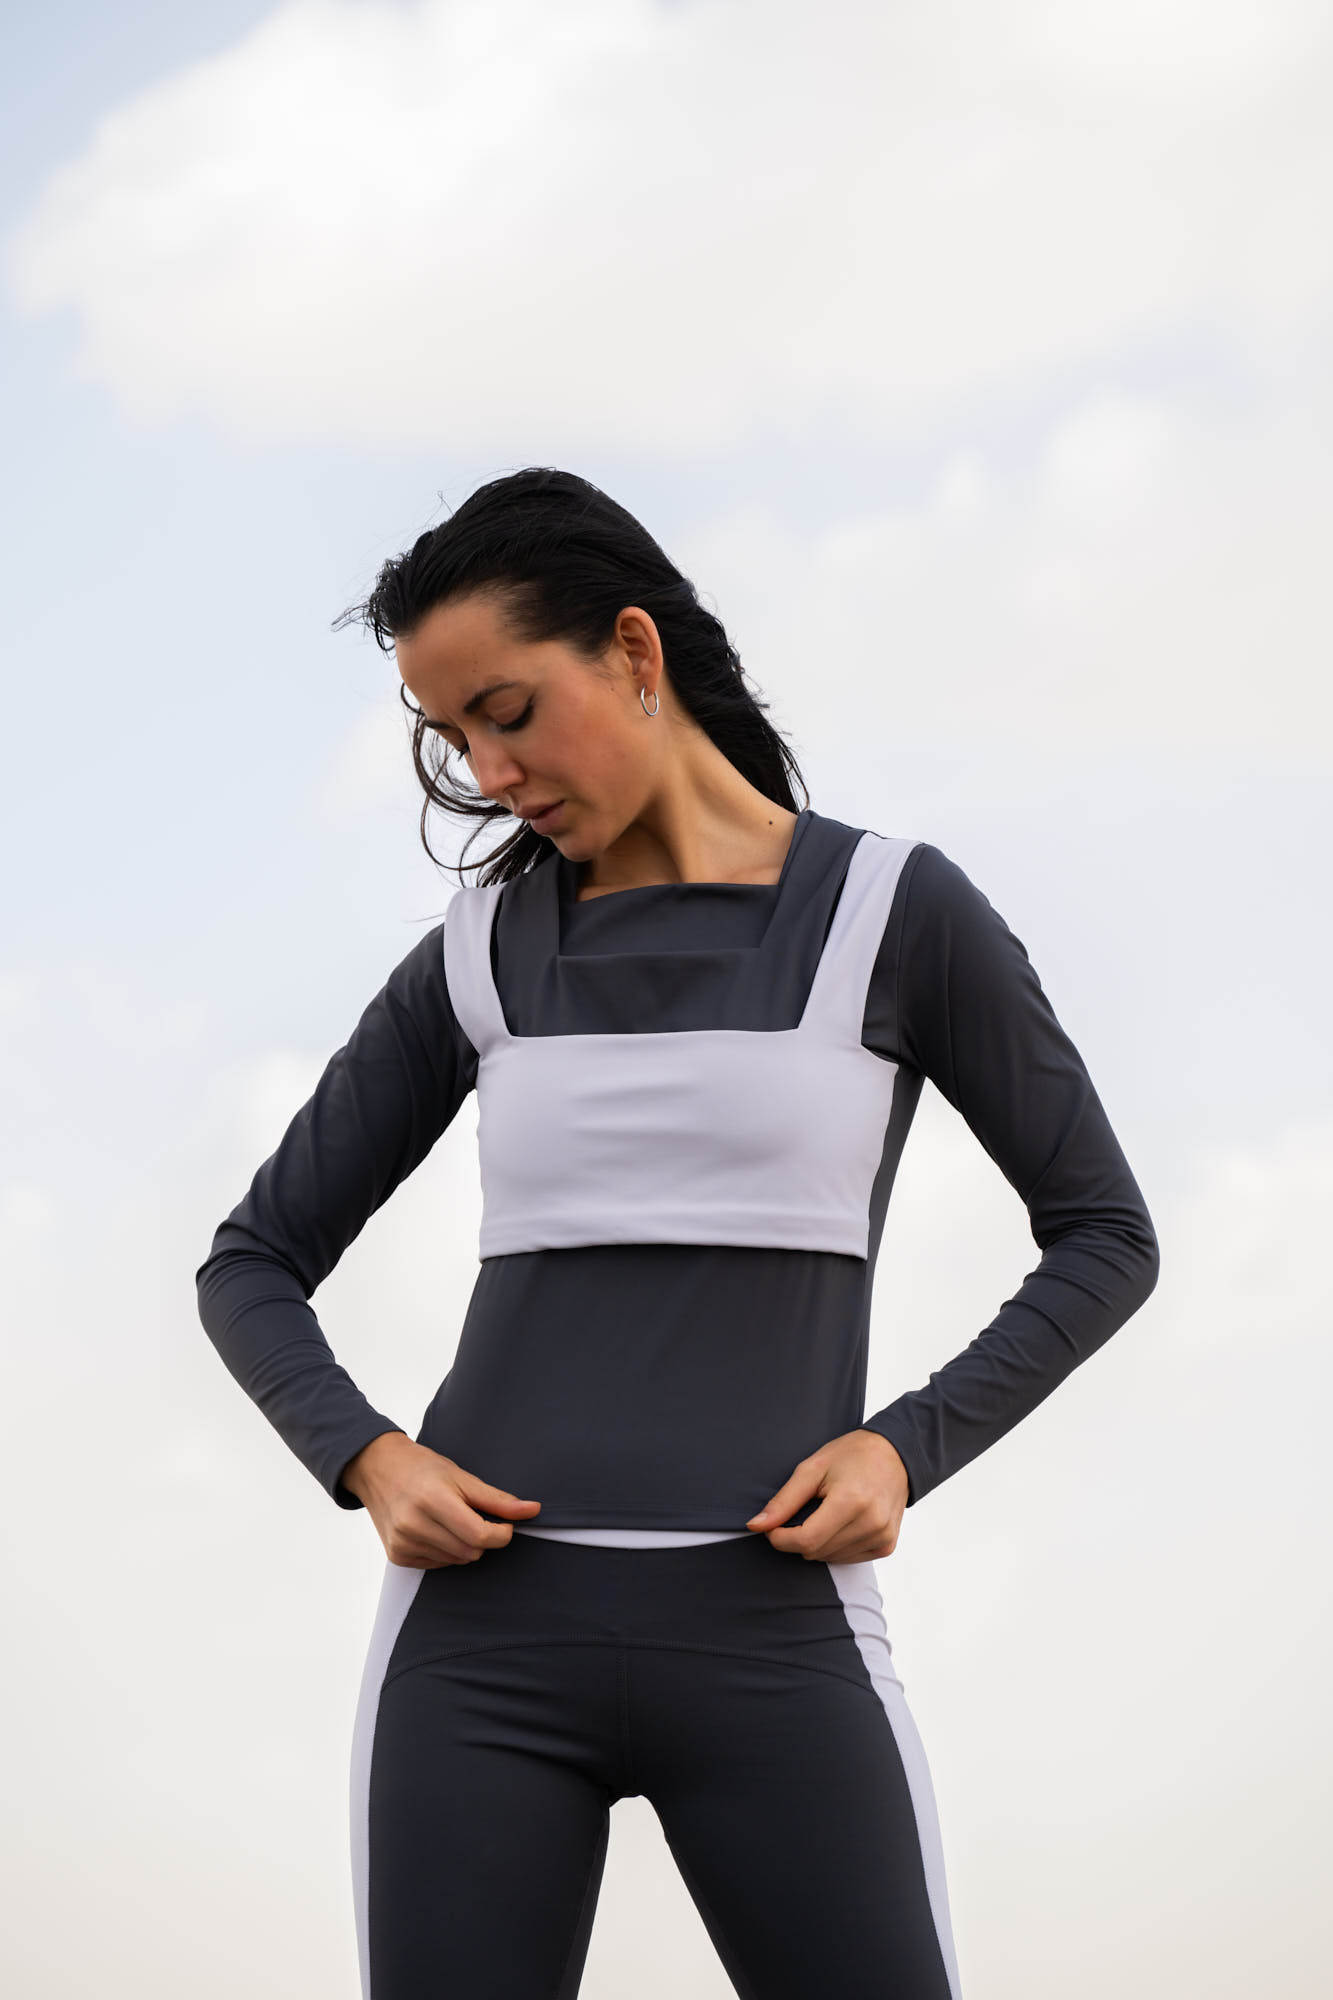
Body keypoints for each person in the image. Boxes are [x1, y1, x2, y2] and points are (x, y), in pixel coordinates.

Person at [195, 466, 1159, 2000]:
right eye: (450, 737)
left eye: (507, 712)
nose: (487, 771)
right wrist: (366, 1457)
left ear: (633, 652)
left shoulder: (892, 914)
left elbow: (1103, 1233)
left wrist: (903, 1447)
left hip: (776, 1637)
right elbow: (251, 1261)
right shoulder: (477, 956)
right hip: (477, 1659)